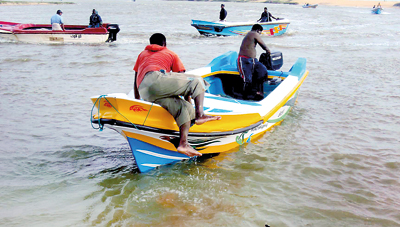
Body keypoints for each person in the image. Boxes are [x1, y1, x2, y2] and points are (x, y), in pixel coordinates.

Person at [133, 33, 221, 157]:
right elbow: (184, 79)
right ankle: (200, 115)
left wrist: (138, 101)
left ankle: (183, 144)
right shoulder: (170, 53)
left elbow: (135, 78)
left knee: (184, 108)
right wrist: (190, 101)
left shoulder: (142, 54)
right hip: (157, 80)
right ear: (164, 44)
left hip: (144, 90)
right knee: (197, 81)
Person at [238, 24, 271, 97]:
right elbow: (263, 45)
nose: (260, 34)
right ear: (258, 30)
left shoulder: (250, 34)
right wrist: (268, 51)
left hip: (251, 60)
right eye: (260, 32)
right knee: (247, 80)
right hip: (244, 59)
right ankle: (245, 96)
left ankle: (256, 92)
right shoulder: (254, 33)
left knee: (261, 71)